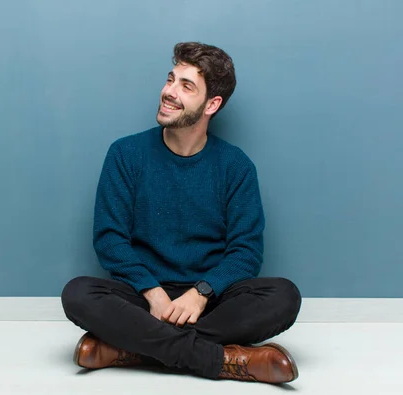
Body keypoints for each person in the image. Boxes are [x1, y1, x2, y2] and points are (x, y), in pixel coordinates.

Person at [61, 42, 302, 384]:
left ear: (212, 104)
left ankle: (129, 350)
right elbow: (109, 240)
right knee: (78, 293)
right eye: (171, 79)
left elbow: (246, 253)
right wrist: (152, 293)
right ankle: (225, 360)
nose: (168, 92)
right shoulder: (125, 154)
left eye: (186, 86)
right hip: (143, 298)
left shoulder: (236, 166)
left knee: (284, 296)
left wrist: (201, 292)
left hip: (210, 301)